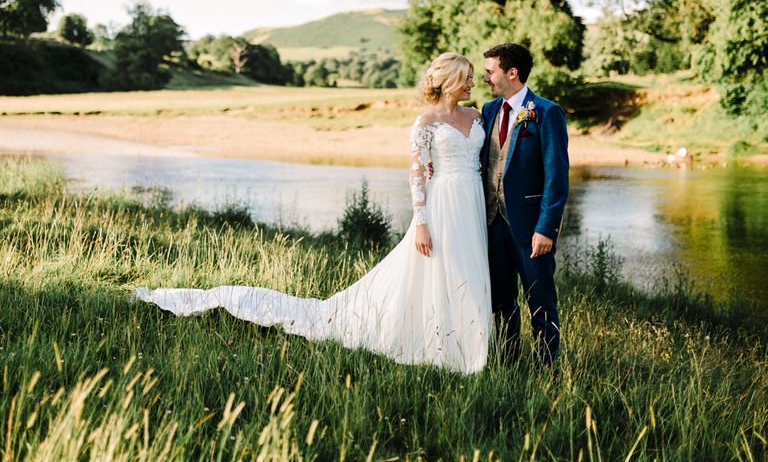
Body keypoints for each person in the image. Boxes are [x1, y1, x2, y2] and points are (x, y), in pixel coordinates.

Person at [135, 52, 492, 374]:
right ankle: (441, 343)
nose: (474, 84)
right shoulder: (426, 121)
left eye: (476, 77)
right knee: (440, 267)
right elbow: (417, 173)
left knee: (469, 266)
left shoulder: (478, 116)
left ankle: (471, 341)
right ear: (450, 83)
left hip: (471, 200)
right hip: (441, 202)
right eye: (468, 78)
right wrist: (421, 223)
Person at [481, 43, 569, 367]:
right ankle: (509, 365)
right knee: (501, 302)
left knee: (541, 303)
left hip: (531, 230)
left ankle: (547, 369)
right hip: (493, 225)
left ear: (512, 72)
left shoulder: (546, 112)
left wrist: (546, 228)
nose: (486, 77)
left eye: (490, 71)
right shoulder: (489, 111)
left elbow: (557, 178)